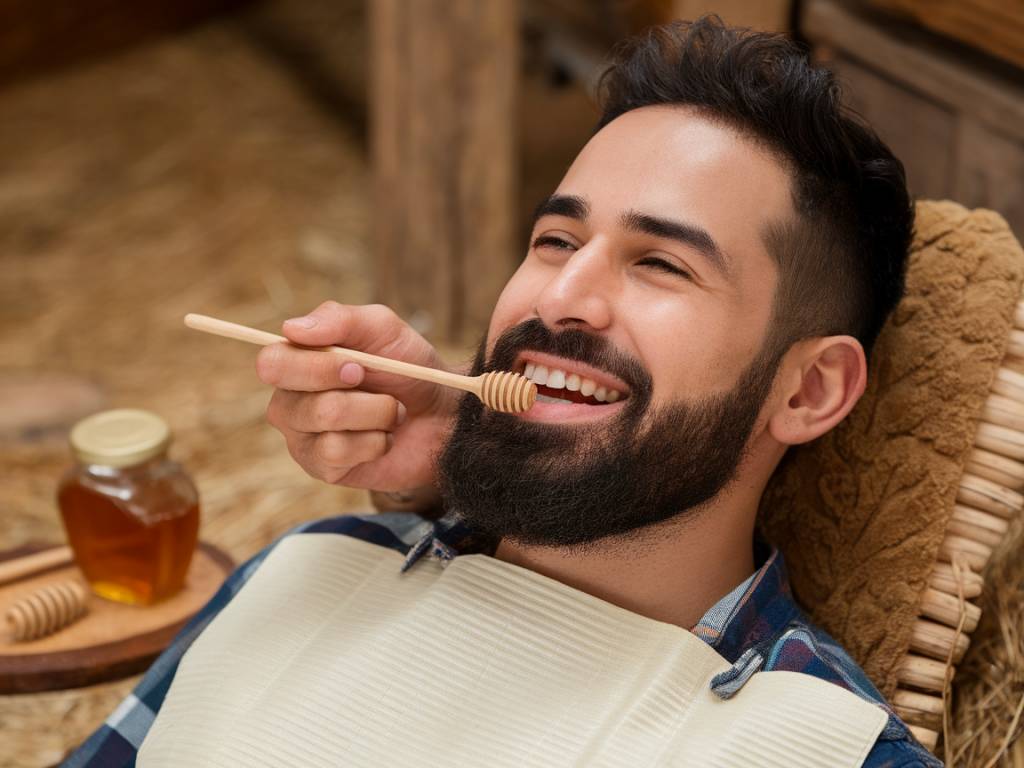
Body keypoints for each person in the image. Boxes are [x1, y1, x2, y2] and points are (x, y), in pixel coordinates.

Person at [63, 16, 942, 767]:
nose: (558, 297)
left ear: (810, 390)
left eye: (662, 263)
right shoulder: (321, 563)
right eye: (557, 239)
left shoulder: (825, 745)